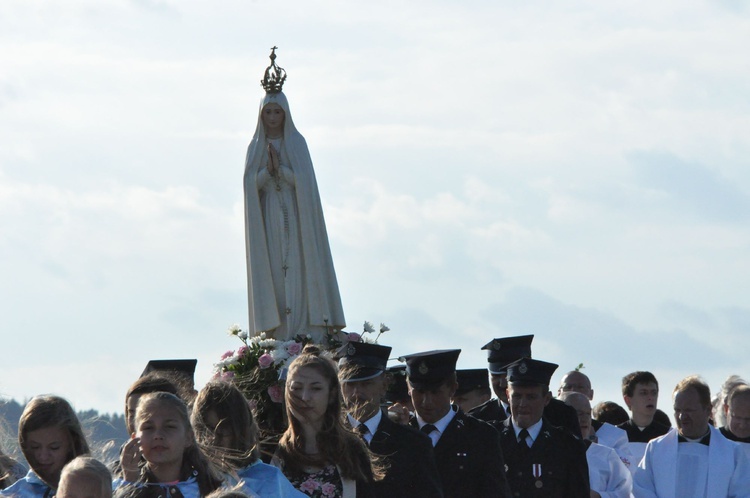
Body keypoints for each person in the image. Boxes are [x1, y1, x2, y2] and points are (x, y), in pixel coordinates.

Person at [243, 48, 345, 342]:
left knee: (299, 269)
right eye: (268, 112)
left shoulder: (297, 143)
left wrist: (283, 171)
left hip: (297, 215)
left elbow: (305, 183)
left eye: (277, 112)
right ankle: (279, 334)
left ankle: (304, 329)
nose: (273, 117)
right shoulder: (255, 147)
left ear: (285, 114)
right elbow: (251, 184)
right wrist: (266, 173)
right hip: (270, 213)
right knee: (275, 270)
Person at [337, 341, 443, 498]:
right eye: (349, 385)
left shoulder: (413, 443)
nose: (356, 394)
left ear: (384, 385)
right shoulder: (327, 437)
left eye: (366, 384)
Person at [402, 349, 511, 498]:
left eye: (435, 392)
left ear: (452, 387)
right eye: (419, 392)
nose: (426, 401)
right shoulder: (399, 434)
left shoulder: (481, 436)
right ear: (409, 389)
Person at [273, 345, 376, 497]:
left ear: (332, 394)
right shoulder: (270, 451)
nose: (305, 397)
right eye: (296, 388)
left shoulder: (353, 450)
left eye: (316, 389)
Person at [633, 375, 750, 497]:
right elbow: (642, 489)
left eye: (689, 410)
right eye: (677, 410)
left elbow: (742, 493)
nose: (682, 417)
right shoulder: (656, 449)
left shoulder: (732, 453)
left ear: (708, 410)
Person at [191, 381, 305, 498]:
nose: (215, 438)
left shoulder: (268, 479)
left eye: (224, 428)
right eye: (208, 429)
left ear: (240, 429)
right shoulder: (191, 481)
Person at [497, 358, 590, 497]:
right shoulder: (489, 439)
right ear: (507, 396)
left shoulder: (567, 445)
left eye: (531, 397)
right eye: (517, 396)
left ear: (546, 399)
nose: (523, 404)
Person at [470, 335, 581, 438]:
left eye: (507, 377)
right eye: (495, 376)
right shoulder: (478, 419)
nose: (502, 384)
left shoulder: (562, 414)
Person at [116, 392, 223, 497]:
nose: (158, 435)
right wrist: (130, 485)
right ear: (134, 438)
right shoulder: (116, 489)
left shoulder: (211, 488)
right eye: (148, 428)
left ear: (188, 437)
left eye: (169, 426)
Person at [1, 395, 90, 497]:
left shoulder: (97, 487)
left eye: (54, 447)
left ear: (72, 443)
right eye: (35, 447)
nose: (43, 456)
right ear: (23, 444)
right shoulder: (13, 495)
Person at [561, 392, 633, 498]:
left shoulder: (607, 456)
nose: (585, 419)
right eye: (579, 413)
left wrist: (599, 496)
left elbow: (625, 492)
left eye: (587, 414)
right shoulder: (548, 453)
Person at [558, 370, 632, 471]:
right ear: (558, 393)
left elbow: (628, 468)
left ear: (591, 394)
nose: (574, 390)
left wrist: (596, 443)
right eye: (568, 387)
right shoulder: (544, 429)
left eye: (580, 387)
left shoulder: (614, 435)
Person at [617, 372, 670, 466]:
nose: (650, 398)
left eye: (654, 393)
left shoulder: (668, 436)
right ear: (628, 400)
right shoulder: (615, 436)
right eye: (643, 393)